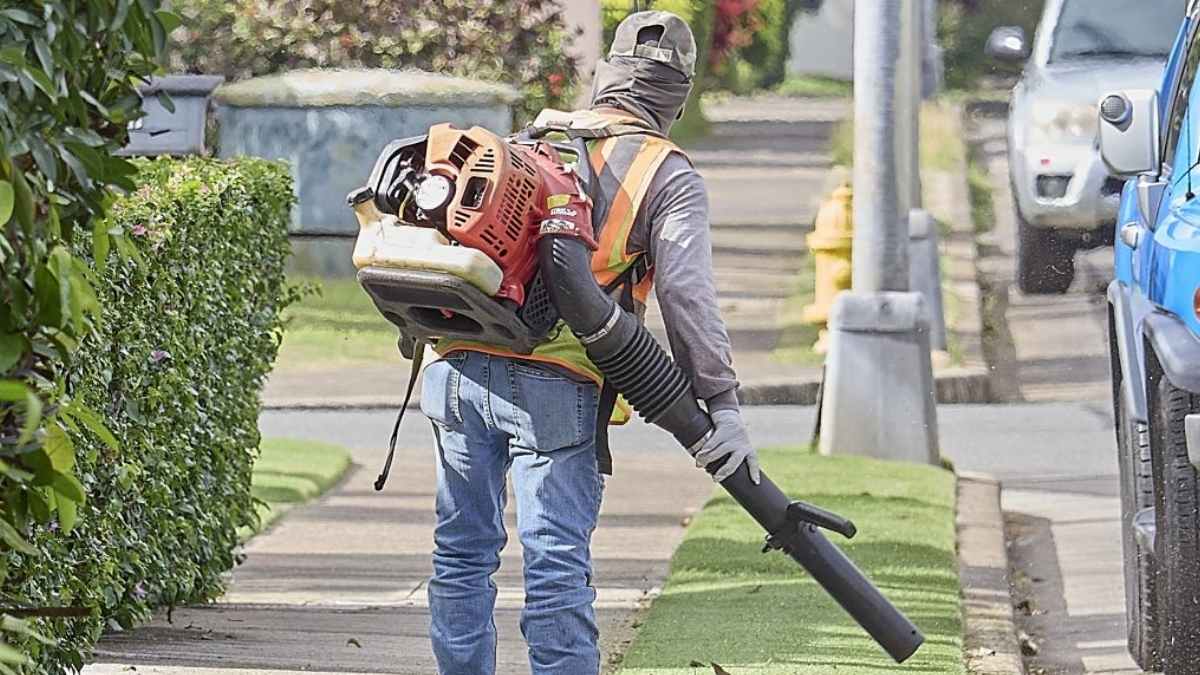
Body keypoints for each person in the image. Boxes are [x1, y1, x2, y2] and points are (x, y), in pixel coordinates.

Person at [417, 10, 760, 675]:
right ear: (677, 97)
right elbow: (687, 296)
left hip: (458, 367)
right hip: (557, 383)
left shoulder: (530, 137)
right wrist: (721, 404)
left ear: (607, 76)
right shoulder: (665, 172)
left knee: (460, 551)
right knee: (553, 563)